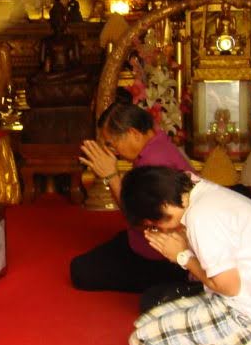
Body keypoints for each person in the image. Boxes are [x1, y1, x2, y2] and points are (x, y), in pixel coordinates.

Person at [118, 166, 251, 345]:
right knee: (144, 323)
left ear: (161, 208)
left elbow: (228, 286)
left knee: (141, 344)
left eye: (152, 225)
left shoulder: (202, 217)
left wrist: (182, 256)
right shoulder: (204, 192)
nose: (156, 230)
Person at [72, 97, 200, 312]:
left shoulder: (154, 161)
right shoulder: (157, 143)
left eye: (112, 144)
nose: (112, 151)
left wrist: (111, 176)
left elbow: (142, 221)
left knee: (81, 272)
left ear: (133, 133)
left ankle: (184, 286)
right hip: (142, 240)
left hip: (163, 257)